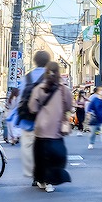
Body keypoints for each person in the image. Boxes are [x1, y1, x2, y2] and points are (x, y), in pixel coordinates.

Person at [27, 61, 73, 192]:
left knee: (41, 157)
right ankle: (50, 182)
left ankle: (41, 180)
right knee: (56, 157)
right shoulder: (64, 89)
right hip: (56, 129)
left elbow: (32, 108)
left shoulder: (39, 88)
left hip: (40, 128)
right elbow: (69, 106)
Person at [14, 50, 50, 181]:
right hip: (46, 120)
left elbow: (20, 100)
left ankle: (34, 174)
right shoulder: (50, 77)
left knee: (28, 147)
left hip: (28, 119)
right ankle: (44, 175)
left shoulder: (26, 78)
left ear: (35, 62)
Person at [85, 87, 102, 151]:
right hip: (94, 119)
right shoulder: (94, 100)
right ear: (98, 93)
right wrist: (89, 115)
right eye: (101, 92)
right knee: (93, 133)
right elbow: (89, 108)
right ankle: (91, 143)